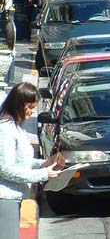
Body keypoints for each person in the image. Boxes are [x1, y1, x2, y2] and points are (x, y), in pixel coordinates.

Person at [0, 83, 61, 239]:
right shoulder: (6, 131)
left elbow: (20, 160)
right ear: (18, 104)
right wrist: (42, 174)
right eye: (30, 107)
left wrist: (43, 163)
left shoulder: (16, 127)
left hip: (13, 197)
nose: (33, 111)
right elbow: (6, 169)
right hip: (5, 198)